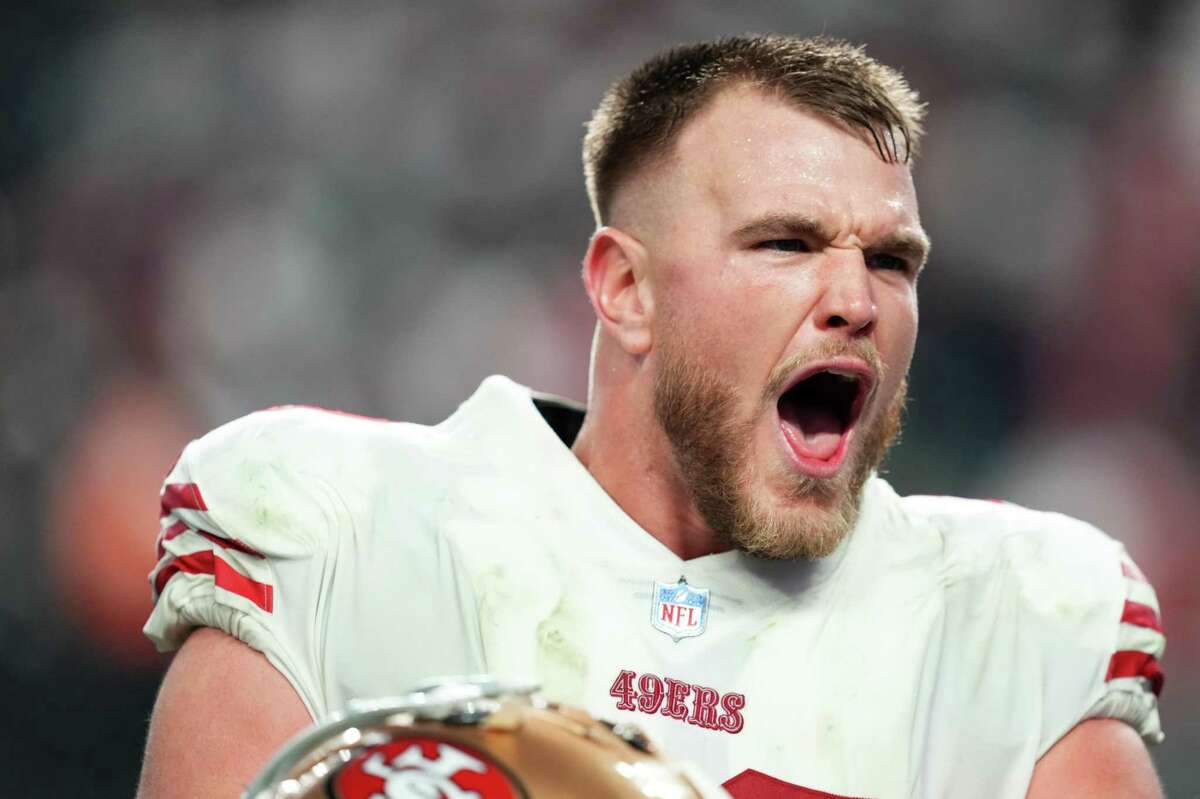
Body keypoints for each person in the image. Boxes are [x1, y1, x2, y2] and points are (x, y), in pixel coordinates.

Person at [136, 35, 1166, 799]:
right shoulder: (343, 541)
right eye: (785, 243)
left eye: (891, 260)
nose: (858, 297)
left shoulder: (1012, 631)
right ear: (626, 290)